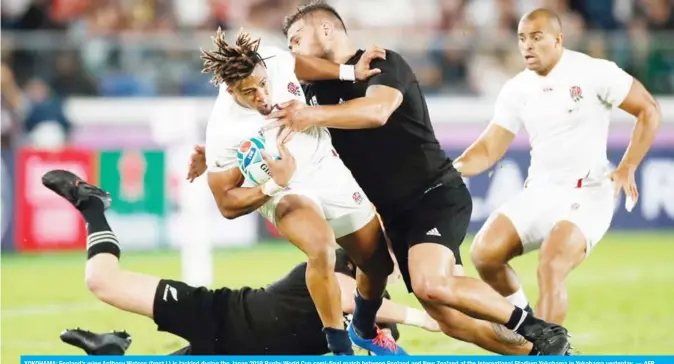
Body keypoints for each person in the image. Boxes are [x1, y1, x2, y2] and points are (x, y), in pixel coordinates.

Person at [265, 0, 571, 355]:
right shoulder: (310, 89)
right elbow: (276, 73)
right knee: (451, 319)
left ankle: (539, 329)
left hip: (433, 192)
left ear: (327, 30)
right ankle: (543, 354)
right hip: (394, 216)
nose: (292, 49)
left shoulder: (382, 61)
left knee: (431, 284)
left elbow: (377, 111)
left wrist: (310, 114)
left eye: (297, 39)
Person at [42, 169, 438, 356]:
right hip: (219, 314)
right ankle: (92, 205)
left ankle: (111, 352)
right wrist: (423, 317)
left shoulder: (377, 304)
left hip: (239, 354)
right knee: (101, 281)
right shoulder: (333, 264)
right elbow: (346, 297)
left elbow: (374, 339)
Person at [197, 28, 404, 355]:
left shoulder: (276, 62)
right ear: (229, 90)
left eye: (262, 85)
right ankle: (339, 346)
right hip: (284, 190)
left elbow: (300, 64)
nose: (262, 97)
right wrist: (274, 183)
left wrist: (350, 71)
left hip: (325, 167)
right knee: (321, 249)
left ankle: (363, 328)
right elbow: (225, 202)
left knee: (377, 265)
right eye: (248, 92)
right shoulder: (223, 130)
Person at [454, 9, 661, 325]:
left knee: (551, 265)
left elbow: (649, 109)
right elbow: (488, 149)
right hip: (540, 191)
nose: (528, 46)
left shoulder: (593, 72)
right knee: (484, 253)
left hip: (588, 193)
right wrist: (449, 171)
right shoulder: (517, 88)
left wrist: (628, 165)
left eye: (537, 37)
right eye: (522, 38)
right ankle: (532, 328)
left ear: (558, 40)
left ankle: (550, 353)